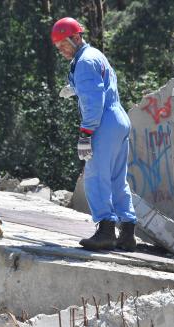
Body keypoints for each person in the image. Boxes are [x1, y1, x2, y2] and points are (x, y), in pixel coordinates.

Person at [51, 17, 137, 251]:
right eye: (58, 47)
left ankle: (106, 231)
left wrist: (85, 133)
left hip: (103, 123)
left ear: (76, 38)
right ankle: (127, 233)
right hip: (119, 119)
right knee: (117, 178)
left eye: (63, 45)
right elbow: (100, 87)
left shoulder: (84, 63)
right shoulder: (95, 55)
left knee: (95, 176)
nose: (61, 51)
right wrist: (76, 88)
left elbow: (93, 103)